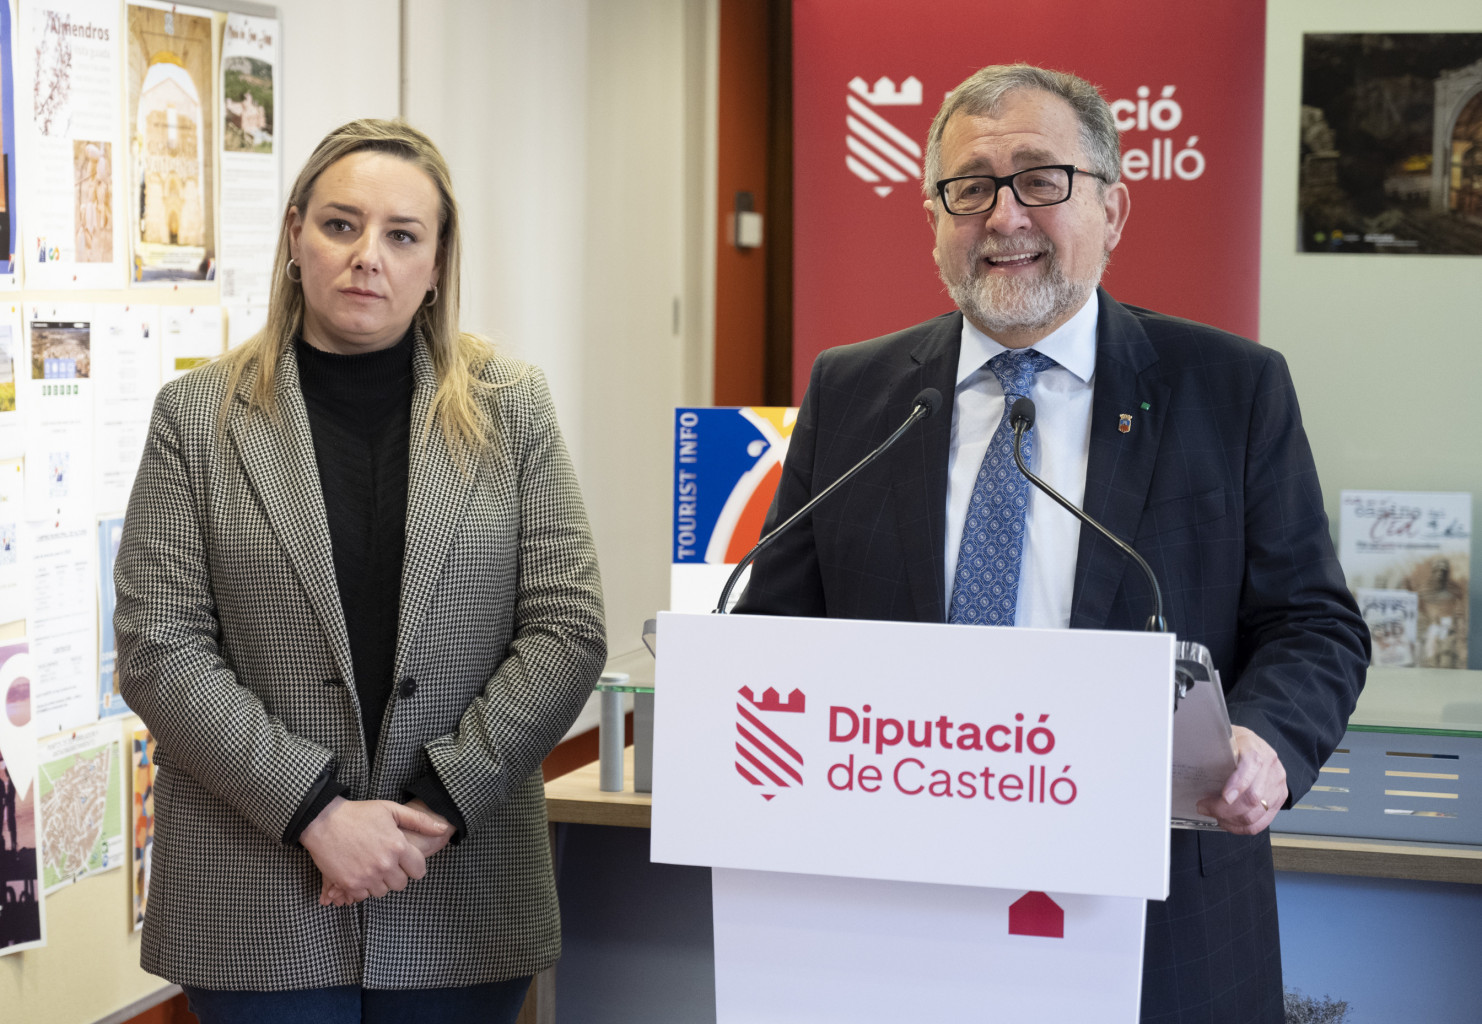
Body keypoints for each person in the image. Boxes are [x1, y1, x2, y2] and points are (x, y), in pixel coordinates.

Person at [736, 65, 1369, 1023]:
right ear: (933, 218)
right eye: (971, 187)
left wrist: (1267, 741)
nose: (1004, 216)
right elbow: (774, 630)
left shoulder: (1230, 389)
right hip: (893, 916)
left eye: (1040, 179)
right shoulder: (855, 394)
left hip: (1161, 918)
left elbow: (1314, 624)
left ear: (1113, 209)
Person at [115, 119, 606, 1023]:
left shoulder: (514, 411)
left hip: (462, 884)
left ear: (436, 261)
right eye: (341, 226)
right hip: (257, 893)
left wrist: (432, 809)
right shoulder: (196, 416)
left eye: (401, 235)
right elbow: (159, 647)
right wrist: (317, 814)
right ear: (296, 236)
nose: (366, 257)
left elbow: (566, 631)